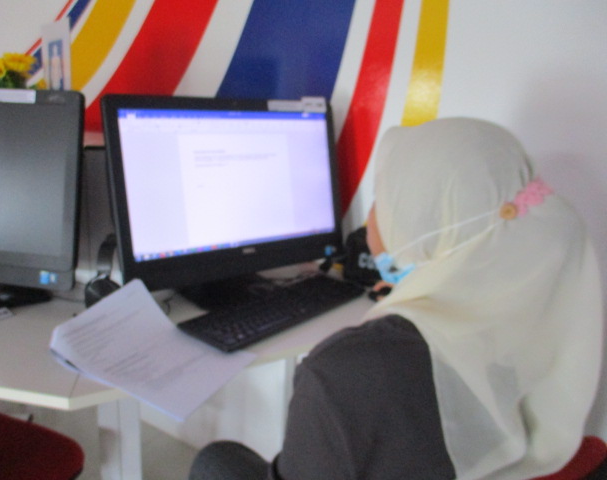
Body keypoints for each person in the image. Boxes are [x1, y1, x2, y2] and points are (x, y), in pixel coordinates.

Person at [188, 118, 603, 480]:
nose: (372, 216)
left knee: (216, 458)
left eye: (384, 200)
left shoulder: (341, 372)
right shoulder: (543, 309)